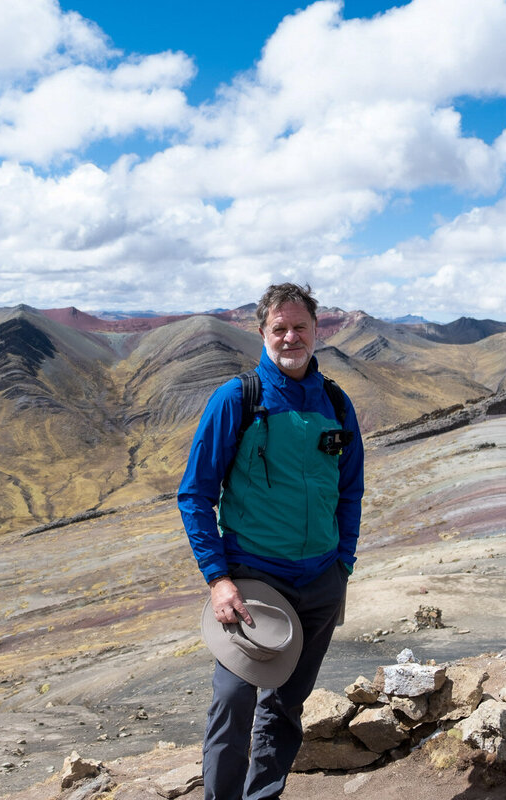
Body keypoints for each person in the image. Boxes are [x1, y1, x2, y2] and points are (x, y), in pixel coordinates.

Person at [179, 283, 365, 800]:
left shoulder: (335, 402)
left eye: (299, 327)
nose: (290, 337)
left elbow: (350, 491)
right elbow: (194, 494)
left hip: (321, 582)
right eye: (278, 328)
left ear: (317, 330)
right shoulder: (238, 398)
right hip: (255, 579)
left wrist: (342, 566)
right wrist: (218, 580)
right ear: (262, 333)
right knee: (234, 700)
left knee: (286, 706)